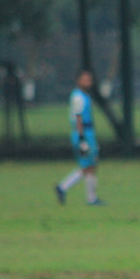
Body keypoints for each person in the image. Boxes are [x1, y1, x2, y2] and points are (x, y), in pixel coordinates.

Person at [55, 70, 105, 206]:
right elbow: (78, 117)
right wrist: (82, 139)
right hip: (82, 133)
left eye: (90, 79)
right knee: (88, 165)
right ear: (78, 81)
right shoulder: (78, 97)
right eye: (85, 79)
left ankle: (91, 197)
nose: (88, 82)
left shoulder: (84, 95)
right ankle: (64, 187)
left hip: (88, 132)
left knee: (91, 164)